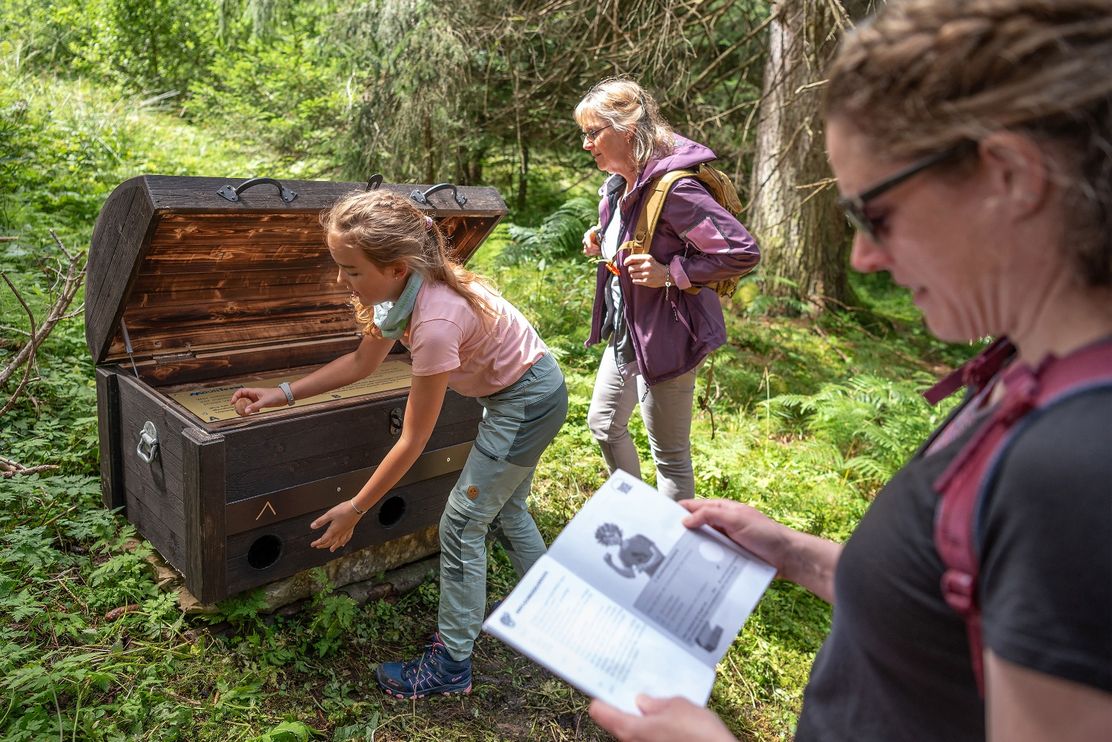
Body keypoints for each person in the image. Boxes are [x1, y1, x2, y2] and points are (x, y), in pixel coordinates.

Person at [587, 1, 1112, 739]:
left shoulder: (1076, 466)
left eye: (877, 214)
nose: (862, 258)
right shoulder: (1027, 374)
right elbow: (956, 604)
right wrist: (797, 553)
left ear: (1010, 178)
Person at [231, 190, 568, 699]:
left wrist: (355, 508)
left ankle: (451, 667)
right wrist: (282, 393)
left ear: (395, 266)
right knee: (507, 509)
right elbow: (362, 363)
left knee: (462, 525)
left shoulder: (435, 323)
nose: (340, 280)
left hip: (524, 404)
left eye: (351, 270)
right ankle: (554, 612)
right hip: (529, 390)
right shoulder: (404, 290)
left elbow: (412, 440)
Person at [575, 78, 760, 502]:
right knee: (604, 424)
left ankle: (676, 541)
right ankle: (637, 516)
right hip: (629, 331)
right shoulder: (621, 183)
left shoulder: (677, 191)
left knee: (670, 457)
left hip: (669, 334)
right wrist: (602, 237)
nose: (586, 144)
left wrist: (671, 272)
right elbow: (643, 233)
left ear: (627, 129)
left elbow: (740, 251)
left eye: (593, 133)